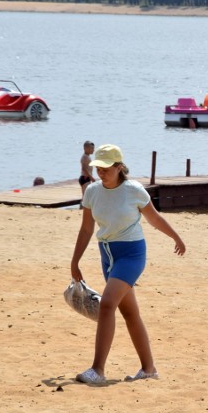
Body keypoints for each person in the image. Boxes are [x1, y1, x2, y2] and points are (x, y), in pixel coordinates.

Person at [70, 144, 186, 385]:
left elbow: (154, 218)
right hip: (107, 254)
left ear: (119, 167)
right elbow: (86, 229)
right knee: (129, 312)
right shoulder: (92, 192)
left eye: (106, 168)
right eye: (98, 168)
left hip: (131, 254)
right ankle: (149, 369)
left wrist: (175, 237)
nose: (101, 172)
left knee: (107, 305)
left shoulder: (133, 190)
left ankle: (97, 370)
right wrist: (75, 261)